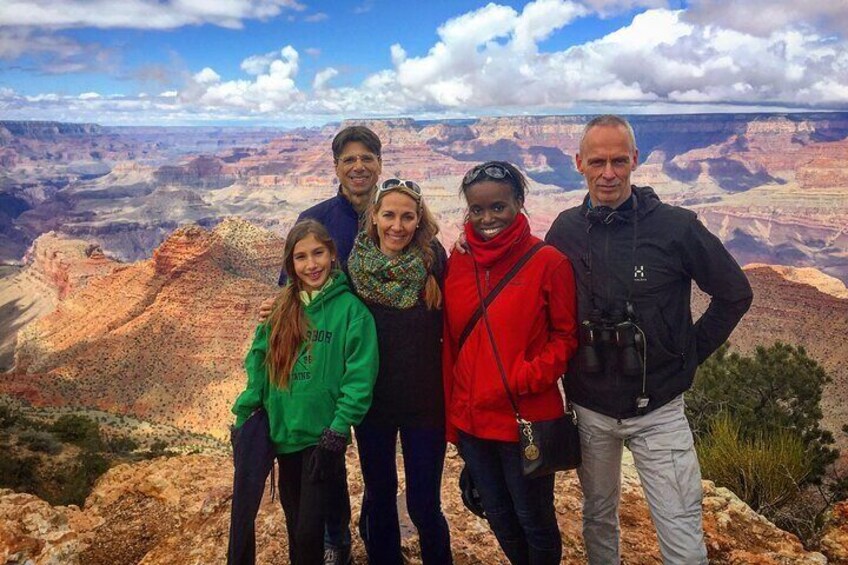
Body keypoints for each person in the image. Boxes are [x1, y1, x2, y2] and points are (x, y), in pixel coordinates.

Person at [545, 115, 754, 564]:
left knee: (679, 528)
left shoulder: (675, 227)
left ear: (636, 160)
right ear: (578, 163)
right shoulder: (563, 230)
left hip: (659, 410)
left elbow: (734, 292)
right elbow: (535, 294)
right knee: (598, 517)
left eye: (619, 161)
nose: (608, 174)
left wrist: (689, 355)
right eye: (597, 161)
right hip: (590, 408)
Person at [443, 161, 579, 565]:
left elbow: (566, 337)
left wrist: (526, 376)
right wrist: (453, 415)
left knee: (533, 518)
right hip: (472, 420)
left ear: (519, 203)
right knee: (497, 514)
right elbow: (451, 341)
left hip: (525, 420)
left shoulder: (549, 262)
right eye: (477, 210)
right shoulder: (459, 261)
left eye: (498, 207)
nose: (487, 219)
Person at [263, 125, 383, 564]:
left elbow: (431, 263)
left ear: (379, 164)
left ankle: (377, 533)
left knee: (378, 466)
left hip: (381, 366)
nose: (358, 166)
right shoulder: (317, 219)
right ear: (336, 167)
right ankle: (336, 542)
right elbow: (289, 292)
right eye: (348, 159)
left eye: (366, 158)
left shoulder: (392, 212)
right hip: (330, 363)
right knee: (327, 462)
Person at [231, 219, 379, 565]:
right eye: (301, 257)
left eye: (318, 254)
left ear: (332, 255)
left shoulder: (351, 312)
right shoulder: (282, 308)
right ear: (290, 264)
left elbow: (359, 377)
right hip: (283, 435)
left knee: (312, 529)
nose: (311, 265)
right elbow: (259, 364)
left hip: (321, 437)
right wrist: (244, 413)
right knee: (295, 522)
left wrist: (340, 427)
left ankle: (337, 548)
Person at [347, 178, 453, 564]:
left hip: (425, 406)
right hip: (373, 405)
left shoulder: (435, 262)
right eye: (388, 215)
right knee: (379, 497)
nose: (397, 225)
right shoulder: (354, 268)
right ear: (373, 217)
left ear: (418, 220)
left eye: (408, 217)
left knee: (425, 503)